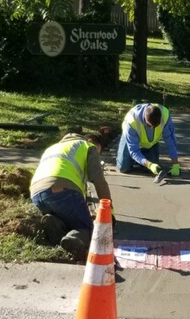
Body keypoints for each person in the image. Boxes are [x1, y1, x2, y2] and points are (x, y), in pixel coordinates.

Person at [30, 132, 113, 261]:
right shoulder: (87, 146)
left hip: (36, 193)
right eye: (99, 151)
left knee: (69, 219)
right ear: (91, 140)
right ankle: (74, 239)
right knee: (87, 228)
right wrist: (108, 210)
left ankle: (53, 222)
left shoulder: (53, 148)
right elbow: (98, 180)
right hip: (63, 190)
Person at [116, 102, 180, 177]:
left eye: (156, 125)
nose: (153, 128)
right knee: (123, 168)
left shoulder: (165, 115)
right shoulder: (132, 121)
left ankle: (141, 159)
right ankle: (137, 159)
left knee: (153, 170)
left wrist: (175, 165)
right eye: (150, 126)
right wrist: (149, 164)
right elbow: (133, 150)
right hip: (130, 140)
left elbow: (171, 141)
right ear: (144, 119)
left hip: (151, 143)